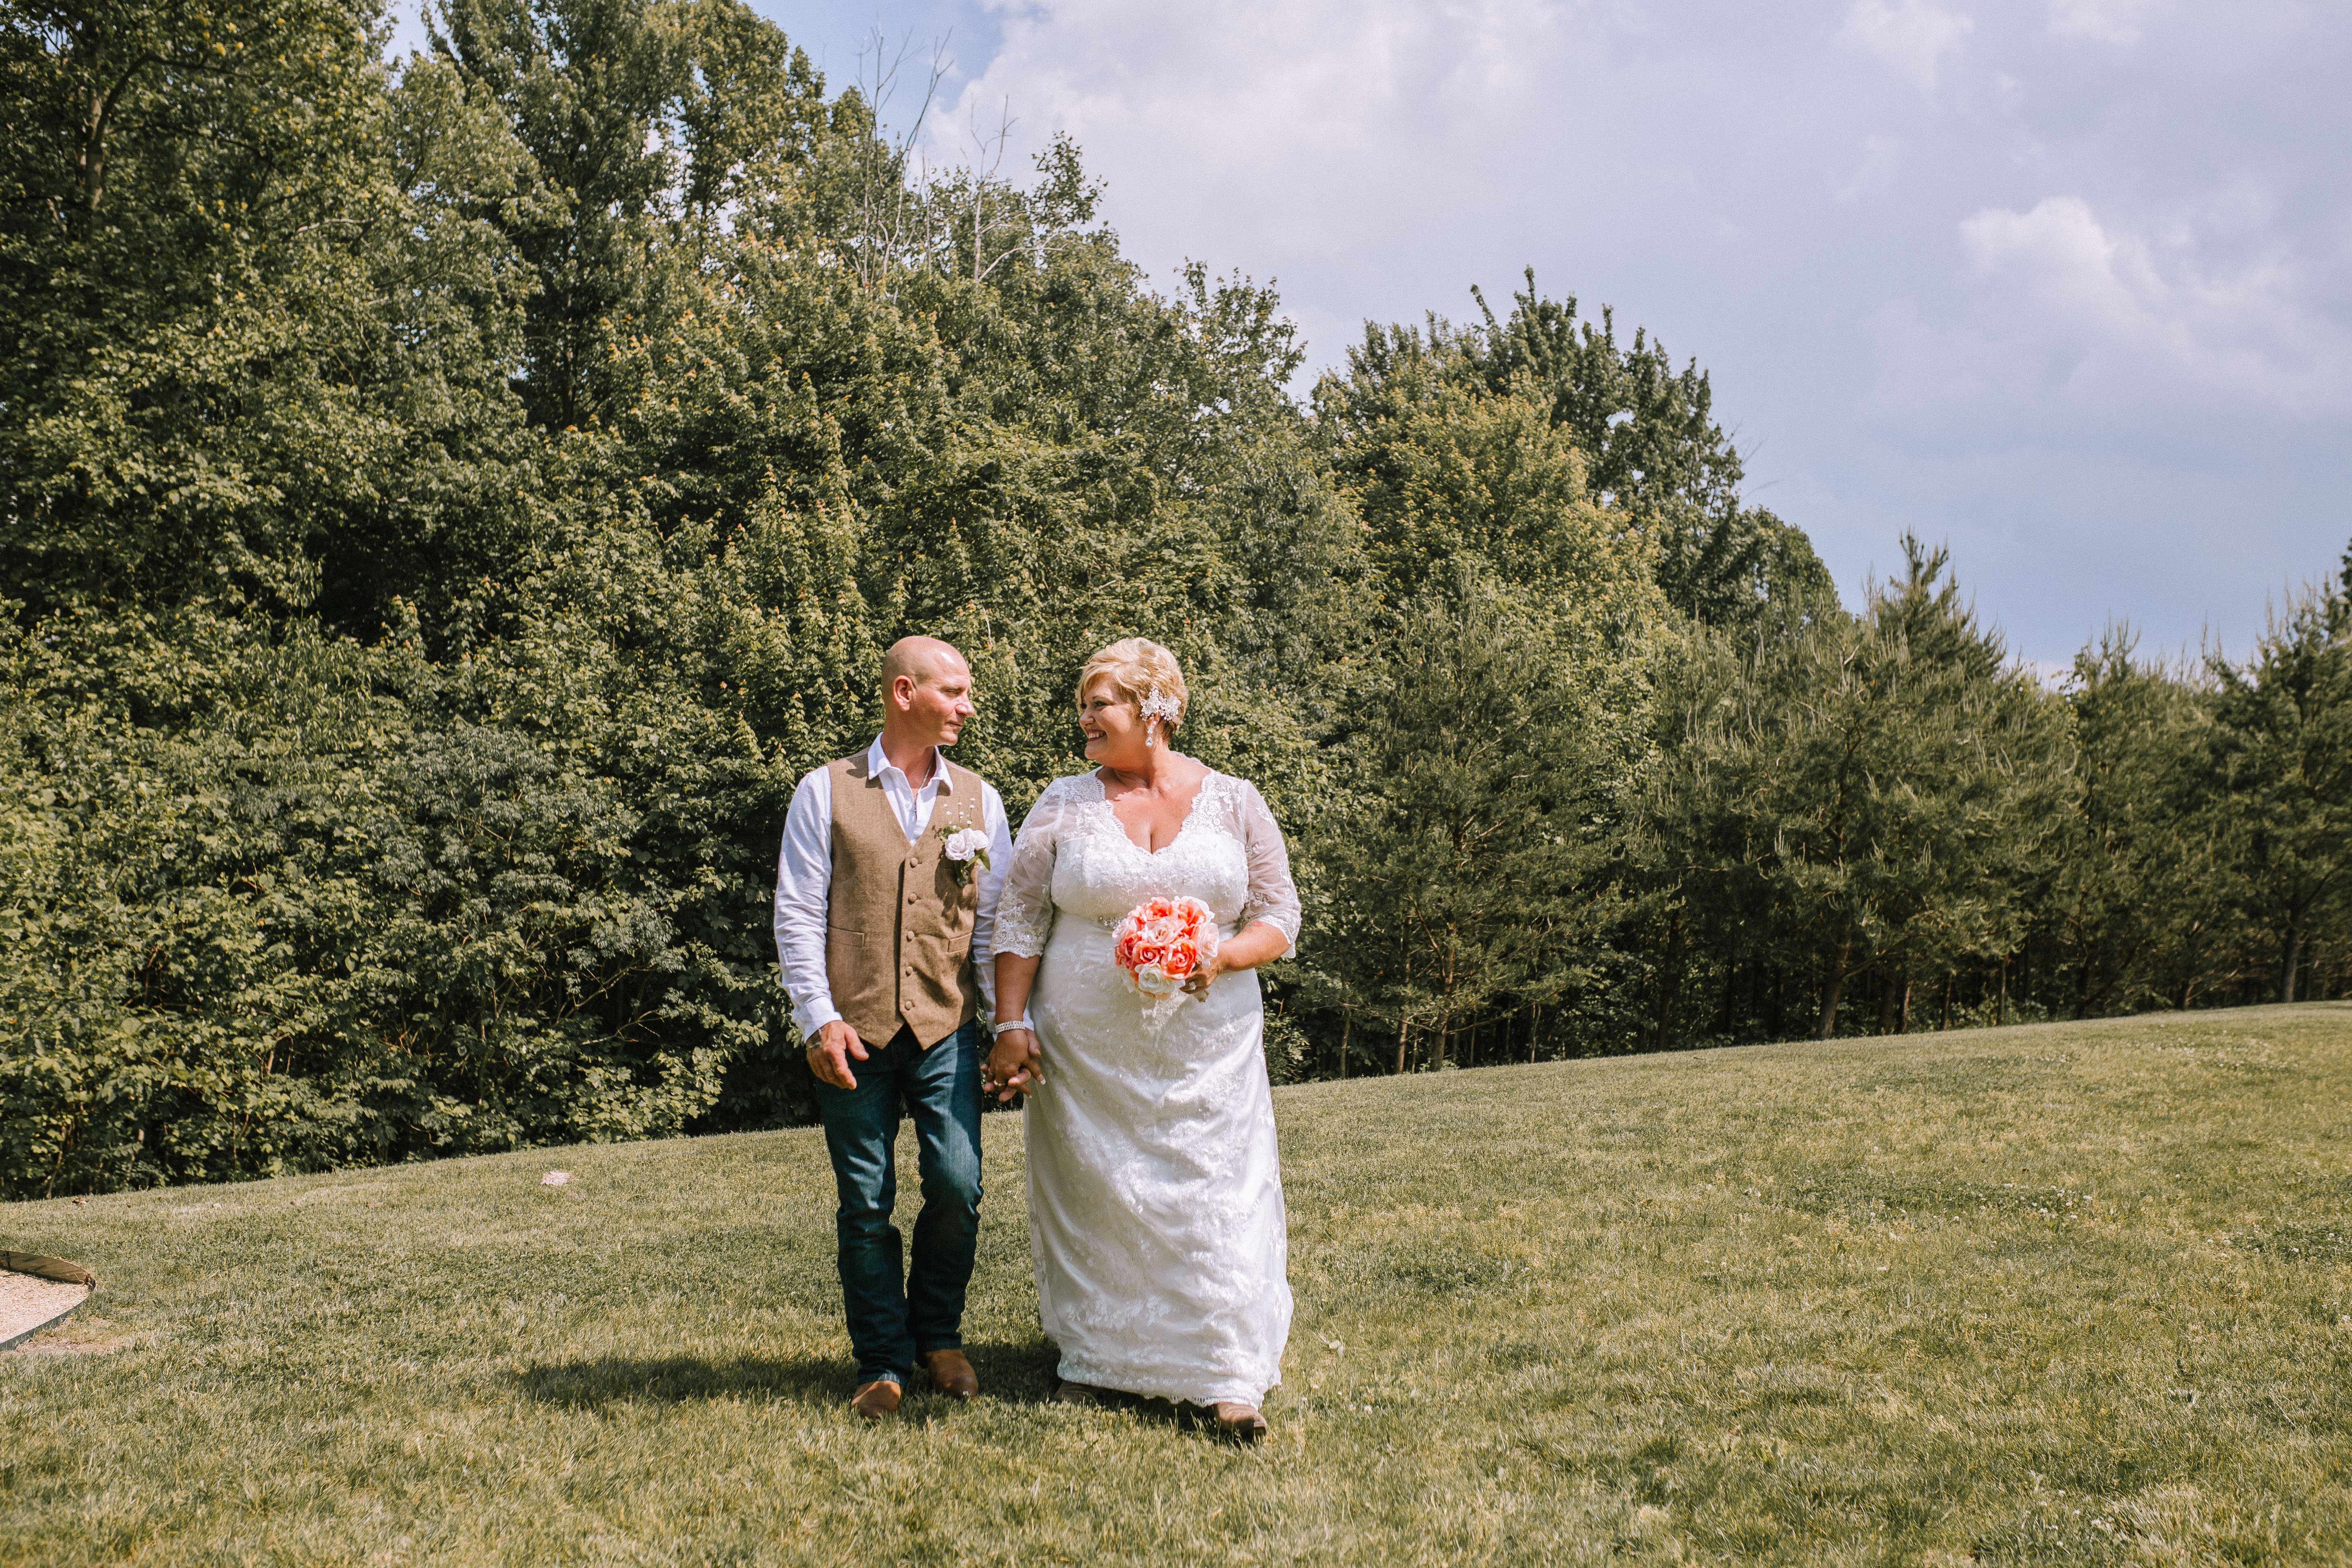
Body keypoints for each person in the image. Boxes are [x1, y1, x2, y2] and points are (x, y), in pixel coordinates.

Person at [986, 637, 1301, 1443]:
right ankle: (1098, 1359)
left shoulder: (1235, 801)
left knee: (1215, 1189)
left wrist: (1216, 955)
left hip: (1210, 1037)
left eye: (1101, 705)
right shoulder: (1062, 801)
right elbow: (1018, 918)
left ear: (1154, 713)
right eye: (1084, 704)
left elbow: (1279, 917)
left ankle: (1228, 1375)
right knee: (1100, 1191)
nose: (1084, 719)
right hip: (1086, 1043)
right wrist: (1012, 1022)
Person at [772, 636, 1014, 1420]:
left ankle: (938, 1336)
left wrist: (1007, 1025)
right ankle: (883, 1360)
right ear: (904, 692)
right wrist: (820, 1021)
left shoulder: (981, 800)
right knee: (865, 1202)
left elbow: (992, 925)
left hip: (947, 1026)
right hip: (854, 1030)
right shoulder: (824, 790)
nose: (968, 706)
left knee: (957, 1184)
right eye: (955, 692)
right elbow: (799, 914)